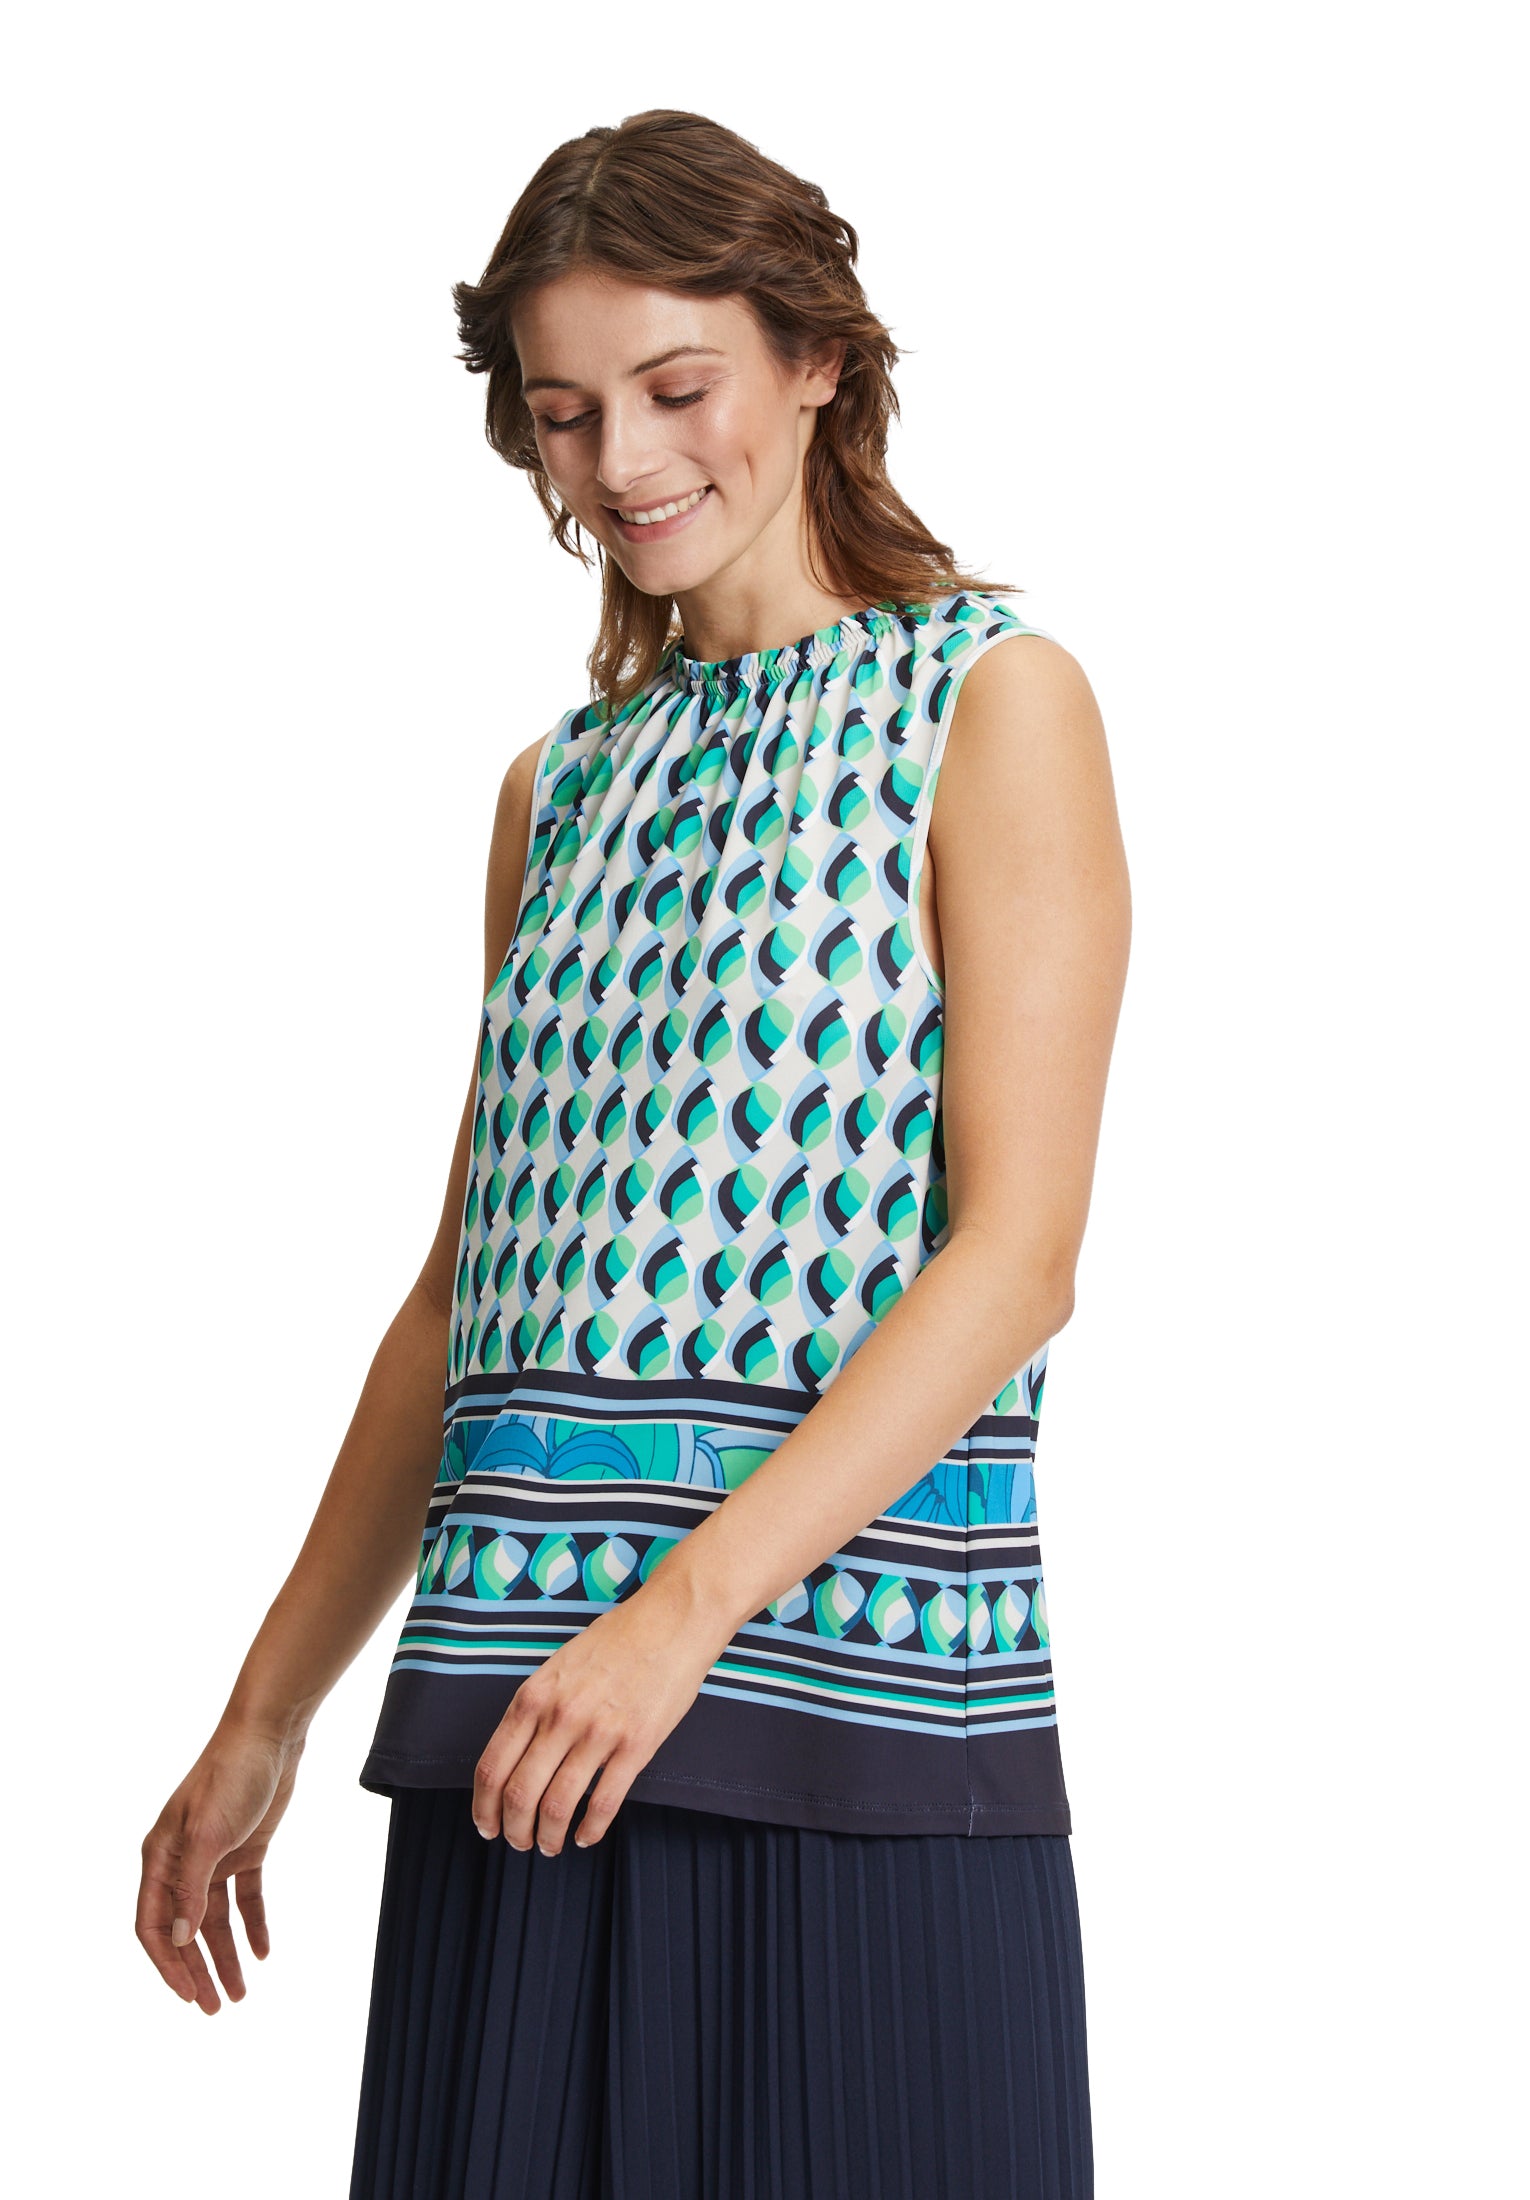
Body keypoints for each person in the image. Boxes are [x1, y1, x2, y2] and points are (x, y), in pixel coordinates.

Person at [136, 108, 1130, 2200]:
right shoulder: (557, 792)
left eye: (677, 388)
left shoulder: (989, 703)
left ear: (817, 358)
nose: (621, 462)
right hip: (519, 1738)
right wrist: (267, 1709)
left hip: (841, 1742)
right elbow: (465, 1293)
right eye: (566, 413)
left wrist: (676, 1622)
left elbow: (1014, 1255)